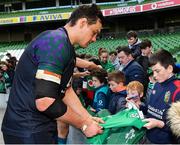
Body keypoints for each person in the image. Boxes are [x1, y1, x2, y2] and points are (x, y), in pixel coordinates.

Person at [2, 4, 105, 144]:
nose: (94, 39)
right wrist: (83, 124)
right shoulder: (56, 42)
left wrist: (87, 117)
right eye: (94, 32)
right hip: (27, 128)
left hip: (37, 126)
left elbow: (66, 91)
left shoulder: (66, 47)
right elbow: (45, 101)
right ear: (83, 23)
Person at [136, 49, 180, 144]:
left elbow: (178, 127)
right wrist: (139, 105)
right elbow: (150, 109)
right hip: (149, 136)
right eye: (153, 71)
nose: (154, 75)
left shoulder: (178, 90)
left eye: (157, 71)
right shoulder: (156, 84)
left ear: (169, 69)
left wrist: (159, 124)